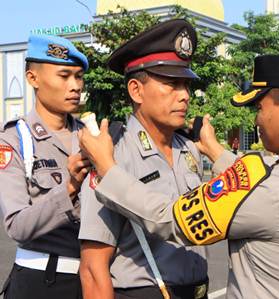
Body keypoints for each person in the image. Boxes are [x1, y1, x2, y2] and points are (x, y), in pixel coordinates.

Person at [79, 53, 279, 298]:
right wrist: (214, 150)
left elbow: (171, 219)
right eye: (172, 83)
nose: (257, 119)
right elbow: (258, 180)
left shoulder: (273, 193)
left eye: (260, 107)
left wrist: (108, 168)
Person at [78, 19, 208, 299]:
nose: (185, 95)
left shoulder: (190, 148)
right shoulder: (112, 155)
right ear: (136, 90)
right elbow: (92, 268)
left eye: (186, 84)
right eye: (172, 84)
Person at [0, 34, 90, 299]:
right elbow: (17, 226)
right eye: (64, 76)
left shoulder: (90, 137)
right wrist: (70, 188)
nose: (75, 86)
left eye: (78, 76)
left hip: (95, 279)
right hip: (42, 282)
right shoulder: (14, 140)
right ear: (33, 78)